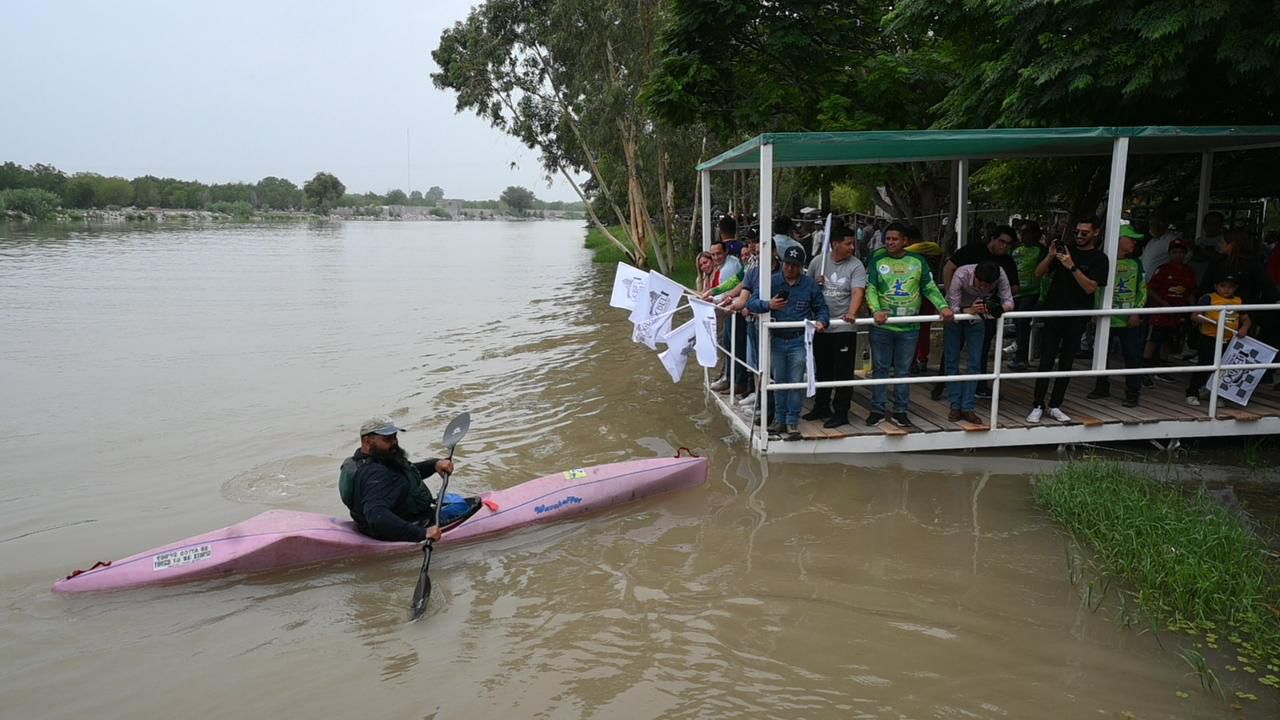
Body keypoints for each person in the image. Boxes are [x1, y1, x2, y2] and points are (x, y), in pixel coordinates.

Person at [865, 221, 953, 427]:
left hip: (910, 327)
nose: (890, 242)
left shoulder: (917, 261)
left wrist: (943, 307)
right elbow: (871, 289)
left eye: (895, 239)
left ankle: (900, 410)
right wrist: (876, 310)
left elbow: (929, 287)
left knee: (903, 370)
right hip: (882, 327)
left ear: (905, 241)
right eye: (887, 239)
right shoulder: (877, 260)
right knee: (881, 369)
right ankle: (877, 409)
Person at [1027, 215, 1110, 423]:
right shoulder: (1066, 251)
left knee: (1067, 361)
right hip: (1054, 311)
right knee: (1046, 359)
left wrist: (1072, 266)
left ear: (1095, 233)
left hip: (1077, 314)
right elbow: (1038, 274)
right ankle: (1038, 404)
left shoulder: (1100, 259)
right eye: (1076, 233)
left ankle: (1055, 404)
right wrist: (1051, 256)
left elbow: (1091, 287)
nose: (1079, 236)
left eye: (1084, 233)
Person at [747, 244, 830, 440]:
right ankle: (779, 419)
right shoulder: (772, 282)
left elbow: (822, 308)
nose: (790, 268)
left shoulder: (809, 285)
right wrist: (769, 304)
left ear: (801, 266)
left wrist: (821, 322)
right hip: (776, 339)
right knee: (779, 381)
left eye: (794, 265)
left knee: (795, 382)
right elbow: (752, 303)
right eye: (787, 264)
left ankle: (792, 422)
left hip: (799, 340)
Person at [339, 417, 456, 543]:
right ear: (368, 442)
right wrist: (422, 533)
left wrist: (434, 465)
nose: (394, 442)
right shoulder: (376, 473)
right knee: (460, 508)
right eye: (387, 439)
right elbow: (377, 516)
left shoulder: (363, 461)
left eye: (394, 437)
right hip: (409, 526)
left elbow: (403, 475)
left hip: (368, 527)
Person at [941, 225, 1020, 396]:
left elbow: (1010, 297)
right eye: (1001, 242)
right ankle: (945, 388)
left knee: (978, 356)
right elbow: (949, 269)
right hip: (960, 307)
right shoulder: (965, 268)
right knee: (952, 353)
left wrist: (994, 306)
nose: (1004, 246)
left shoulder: (1004, 268)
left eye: (1008, 244)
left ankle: (974, 394)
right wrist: (956, 304)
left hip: (984, 314)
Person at [804, 222, 867, 428]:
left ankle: (841, 412)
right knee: (821, 368)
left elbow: (858, 291)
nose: (852, 247)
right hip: (821, 325)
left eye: (853, 244)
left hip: (843, 326)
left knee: (843, 370)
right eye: (848, 243)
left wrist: (852, 312)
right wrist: (816, 283)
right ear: (835, 244)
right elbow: (806, 288)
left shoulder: (856, 265)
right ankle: (821, 405)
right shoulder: (817, 262)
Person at [946, 261, 1013, 424]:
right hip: (957, 317)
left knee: (975, 363)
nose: (983, 288)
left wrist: (994, 308)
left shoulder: (1000, 273)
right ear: (974, 276)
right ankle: (955, 405)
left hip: (979, 319)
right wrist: (967, 310)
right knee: (952, 361)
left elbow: (1009, 302)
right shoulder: (961, 274)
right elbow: (951, 306)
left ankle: (968, 407)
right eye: (980, 284)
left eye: (987, 286)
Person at [1087, 225, 1147, 407]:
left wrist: (1136, 311)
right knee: (1101, 354)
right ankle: (1101, 387)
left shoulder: (1136, 263)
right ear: (1119, 239)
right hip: (1105, 316)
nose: (1134, 243)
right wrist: (1095, 311)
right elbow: (1094, 288)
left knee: (1132, 355)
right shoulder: (1103, 260)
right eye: (1131, 239)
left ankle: (1133, 392)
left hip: (1127, 317)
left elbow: (1142, 289)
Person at [1186, 273, 1252, 406]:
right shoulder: (1209, 298)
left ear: (1236, 288)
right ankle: (1192, 393)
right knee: (1204, 365)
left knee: (1224, 368)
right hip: (1210, 338)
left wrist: (1244, 328)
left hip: (1229, 341)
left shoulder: (1238, 300)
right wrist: (1210, 321)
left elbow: (1246, 319)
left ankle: (1214, 393)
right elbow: (1194, 316)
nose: (1226, 289)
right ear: (1216, 286)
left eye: (1230, 287)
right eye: (1223, 286)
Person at [1144, 239, 1197, 382]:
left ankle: (1162, 368)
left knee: (1169, 340)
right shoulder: (1163, 269)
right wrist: (1163, 304)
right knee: (1154, 338)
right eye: (1175, 252)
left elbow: (1191, 292)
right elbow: (1150, 289)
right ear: (1169, 254)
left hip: (1177, 313)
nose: (1178, 255)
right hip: (1161, 312)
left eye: (1181, 252)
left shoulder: (1189, 272)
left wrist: (1194, 310)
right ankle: (1143, 369)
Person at [1009, 221, 1047, 371]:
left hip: (1031, 292)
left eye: (1026, 232)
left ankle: (1021, 357)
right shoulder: (1016, 248)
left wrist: (1042, 296)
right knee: (1017, 325)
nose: (1023, 236)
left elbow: (1045, 275)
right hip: (1016, 292)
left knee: (1023, 324)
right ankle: (1018, 354)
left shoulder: (1040, 250)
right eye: (1021, 232)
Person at [1139, 211, 1178, 281]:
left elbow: (1184, 256)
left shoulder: (1171, 239)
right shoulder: (1152, 241)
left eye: (1153, 224)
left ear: (1162, 224)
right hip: (1145, 281)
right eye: (1151, 224)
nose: (1152, 227)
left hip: (1160, 282)